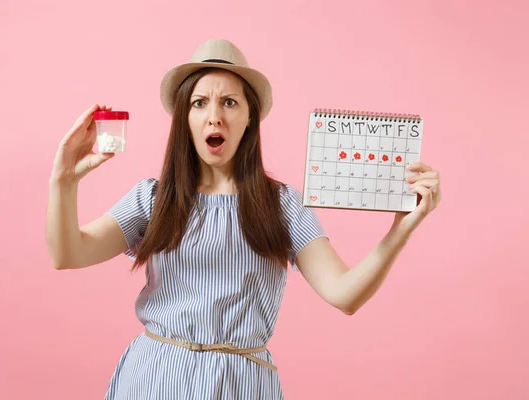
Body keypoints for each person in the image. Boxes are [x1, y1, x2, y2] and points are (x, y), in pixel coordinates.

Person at [46, 39, 442, 399]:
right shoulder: (152, 199)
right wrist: (64, 181)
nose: (214, 116)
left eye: (229, 103)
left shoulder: (283, 204)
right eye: (199, 103)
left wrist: (403, 226)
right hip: (153, 379)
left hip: (241, 384)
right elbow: (68, 253)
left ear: (251, 117)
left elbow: (345, 294)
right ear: (185, 117)